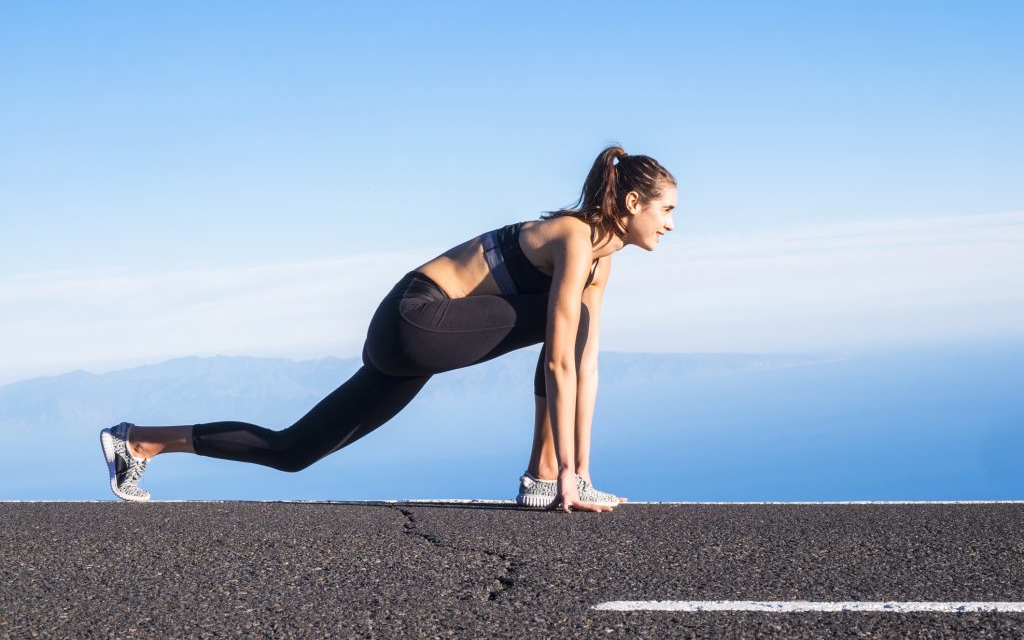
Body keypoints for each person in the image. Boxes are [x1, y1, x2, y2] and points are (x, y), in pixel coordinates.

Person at [100, 145, 677, 513]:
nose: (671, 225)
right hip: (414, 318)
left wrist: (586, 469)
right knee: (563, 328)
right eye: (667, 211)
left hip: (422, 344)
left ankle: (141, 440)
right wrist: (567, 478)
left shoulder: (602, 264)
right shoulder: (576, 239)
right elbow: (559, 360)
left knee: (293, 450)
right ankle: (543, 475)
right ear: (631, 203)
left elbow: (586, 368)